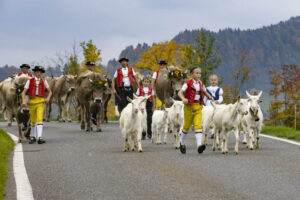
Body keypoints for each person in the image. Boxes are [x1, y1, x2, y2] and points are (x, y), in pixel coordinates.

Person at [178, 66, 214, 154]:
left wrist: (209, 97)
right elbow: (180, 92)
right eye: (196, 73)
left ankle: (199, 145)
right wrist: (183, 98)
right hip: (189, 107)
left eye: (200, 73)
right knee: (186, 126)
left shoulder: (201, 83)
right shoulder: (187, 83)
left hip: (198, 106)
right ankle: (182, 143)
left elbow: (204, 91)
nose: (199, 75)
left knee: (198, 125)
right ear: (191, 74)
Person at [22, 66, 52, 144]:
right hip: (32, 102)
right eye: (37, 72)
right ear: (34, 73)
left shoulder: (44, 81)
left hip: (40, 102)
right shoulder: (30, 81)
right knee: (33, 120)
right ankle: (33, 137)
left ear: (41, 73)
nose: (39, 73)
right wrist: (24, 101)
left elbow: (50, 91)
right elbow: (23, 92)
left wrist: (48, 98)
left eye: (40, 72)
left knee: (39, 118)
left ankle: (40, 137)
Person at [204, 74, 224, 138]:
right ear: (210, 81)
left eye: (215, 80)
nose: (213, 81)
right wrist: (204, 105)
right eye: (212, 80)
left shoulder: (219, 89)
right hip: (208, 104)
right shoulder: (207, 89)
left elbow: (221, 98)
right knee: (208, 118)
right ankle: (206, 131)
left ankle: (213, 132)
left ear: (217, 81)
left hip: (216, 105)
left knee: (215, 118)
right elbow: (205, 98)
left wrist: (219, 101)